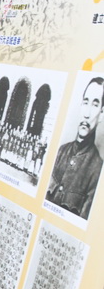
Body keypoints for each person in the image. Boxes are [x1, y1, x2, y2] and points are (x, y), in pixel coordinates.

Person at [46, 76, 104, 220]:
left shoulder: (98, 169)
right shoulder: (61, 151)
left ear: (102, 113)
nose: (87, 114)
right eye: (86, 102)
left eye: (95, 105)